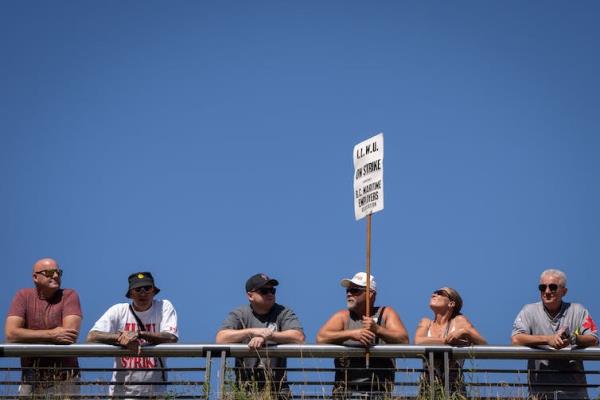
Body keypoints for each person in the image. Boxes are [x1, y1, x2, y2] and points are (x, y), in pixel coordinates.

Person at [316, 272, 409, 399]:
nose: (349, 293)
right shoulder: (343, 316)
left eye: (354, 290)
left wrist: (377, 329)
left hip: (379, 393)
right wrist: (352, 334)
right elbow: (321, 338)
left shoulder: (386, 313)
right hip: (345, 393)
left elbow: (404, 340)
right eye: (348, 290)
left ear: (370, 294)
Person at [87, 272, 178, 398]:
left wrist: (138, 334)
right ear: (130, 294)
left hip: (155, 393)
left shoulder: (163, 307)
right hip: (121, 393)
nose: (143, 292)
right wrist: (121, 338)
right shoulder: (119, 310)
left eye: (147, 288)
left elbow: (171, 337)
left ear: (153, 291)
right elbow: (92, 336)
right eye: (138, 289)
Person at [512, 269, 598, 400]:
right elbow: (516, 339)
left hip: (574, 393)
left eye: (552, 287)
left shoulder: (578, 310)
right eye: (542, 287)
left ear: (564, 291)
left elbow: (594, 338)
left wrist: (573, 339)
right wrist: (548, 340)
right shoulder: (529, 311)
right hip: (540, 394)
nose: (547, 291)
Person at [216, 273, 305, 399]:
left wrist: (268, 336)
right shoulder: (240, 314)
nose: (270, 294)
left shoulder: (283, 312)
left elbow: (298, 337)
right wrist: (252, 332)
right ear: (250, 296)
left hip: (278, 391)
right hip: (244, 390)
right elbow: (221, 338)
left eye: (272, 290)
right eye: (264, 291)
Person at [5, 257, 82, 397]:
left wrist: (27, 335)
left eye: (59, 272)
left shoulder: (69, 295)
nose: (56, 276)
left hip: (66, 378)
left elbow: (69, 336)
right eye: (49, 272)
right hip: (30, 378)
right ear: (35, 277)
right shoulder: (23, 296)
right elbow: (11, 333)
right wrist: (52, 334)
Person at [414, 287, 486, 396]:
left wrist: (466, 332)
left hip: (454, 389)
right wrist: (446, 341)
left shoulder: (459, 321)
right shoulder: (426, 322)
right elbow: (418, 341)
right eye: (434, 292)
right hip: (428, 388)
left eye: (440, 293)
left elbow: (484, 344)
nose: (434, 294)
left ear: (451, 303)